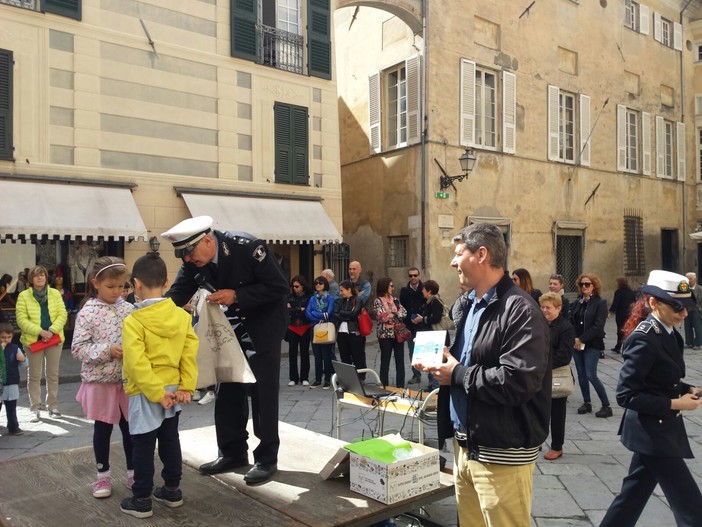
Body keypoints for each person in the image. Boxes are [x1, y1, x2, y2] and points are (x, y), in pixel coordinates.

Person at [419, 223, 550, 527]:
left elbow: (519, 380)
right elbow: (470, 361)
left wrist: (458, 374)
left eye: (458, 253)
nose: (453, 262)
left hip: (501, 453)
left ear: (481, 254)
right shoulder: (470, 305)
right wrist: (445, 364)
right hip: (466, 448)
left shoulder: (520, 310)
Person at [162, 215, 288, 484]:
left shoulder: (248, 247)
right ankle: (232, 452)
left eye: (190, 253)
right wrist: (146, 314)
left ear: (208, 241)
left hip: (264, 327)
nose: (187, 260)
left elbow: (278, 287)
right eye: (182, 256)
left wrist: (237, 296)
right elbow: (175, 297)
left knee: (262, 391)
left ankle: (267, 458)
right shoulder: (194, 262)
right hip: (229, 328)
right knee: (227, 387)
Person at [600, 270, 702, 527]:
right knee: (692, 509)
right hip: (652, 432)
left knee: (632, 497)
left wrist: (686, 389)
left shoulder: (668, 332)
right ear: (654, 303)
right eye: (678, 307)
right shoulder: (644, 338)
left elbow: (659, 379)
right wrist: (676, 404)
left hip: (657, 430)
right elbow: (626, 394)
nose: (684, 314)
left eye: (687, 307)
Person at [119, 252, 198, 519]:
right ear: (166, 282)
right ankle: (172, 489)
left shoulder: (133, 321)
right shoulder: (181, 317)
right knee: (169, 438)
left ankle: (142, 498)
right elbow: (189, 355)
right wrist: (186, 387)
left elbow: (136, 363)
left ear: (136, 284)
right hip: (175, 388)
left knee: (142, 443)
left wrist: (156, 393)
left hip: (146, 391)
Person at [71, 257, 135, 499]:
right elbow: (78, 349)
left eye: (122, 286)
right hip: (100, 381)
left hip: (128, 380)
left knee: (131, 429)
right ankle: (102, 476)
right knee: (103, 429)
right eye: (111, 286)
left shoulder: (129, 308)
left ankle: (133, 472)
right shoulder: (86, 313)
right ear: (96, 283)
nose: (117, 291)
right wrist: (107, 350)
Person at [15, 265, 68, 421]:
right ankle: (35, 407)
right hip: (33, 340)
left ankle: (53, 406)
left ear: (46, 277)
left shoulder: (55, 294)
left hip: (54, 338)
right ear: (31, 279)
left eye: (42, 275)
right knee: (34, 375)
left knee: (53, 374)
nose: (40, 278)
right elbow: (21, 319)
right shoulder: (24, 296)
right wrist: (40, 331)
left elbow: (62, 314)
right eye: (36, 275)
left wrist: (51, 330)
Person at [539, 292, 575, 461]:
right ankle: (536, 440)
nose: (545, 310)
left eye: (549, 307)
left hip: (555, 376)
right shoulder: (538, 324)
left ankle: (556, 446)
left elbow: (564, 356)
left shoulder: (565, 327)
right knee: (537, 410)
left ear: (559, 308)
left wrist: (542, 365)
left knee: (557, 413)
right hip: (537, 375)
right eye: (543, 307)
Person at [570, 273, 612, 417]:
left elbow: (598, 326)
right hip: (577, 343)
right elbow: (572, 322)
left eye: (587, 284)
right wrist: (575, 338)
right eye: (582, 284)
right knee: (581, 374)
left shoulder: (600, 303)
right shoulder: (577, 303)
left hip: (592, 343)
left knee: (591, 375)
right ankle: (586, 402)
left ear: (594, 286)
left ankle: (606, 405)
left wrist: (581, 338)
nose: (584, 287)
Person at [373, 277, 407, 388]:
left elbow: (404, 313)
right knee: (385, 361)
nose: (393, 288)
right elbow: (383, 318)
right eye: (391, 286)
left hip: (398, 333)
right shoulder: (378, 301)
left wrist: (394, 314)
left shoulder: (395, 300)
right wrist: (396, 314)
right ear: (385, 287)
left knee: (400, 361)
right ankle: (384, 386)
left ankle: (400, 386)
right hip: (385, 335)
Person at [305, 276, 336, 389]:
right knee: (317, 356)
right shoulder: (312, 299)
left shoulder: (330, 298)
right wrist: (319, 316)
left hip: (325, 329)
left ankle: (327, 380)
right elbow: (307, 313)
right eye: (316, 283)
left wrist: (315, 313)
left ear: (325, 285)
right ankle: (318, 379)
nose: (318, 285)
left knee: (326, 355)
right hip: (314, 328)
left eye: (321, 283)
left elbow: (329, 313)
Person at [333, 280, 367, 373]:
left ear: (349, 290)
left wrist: (343, 313)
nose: (340, 293)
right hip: (341, 332)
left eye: (342, 290)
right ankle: (348, 376)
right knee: (344, 356)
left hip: (354, 331)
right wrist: (347, 315)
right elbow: (335, 313)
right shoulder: (339, 301)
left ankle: (361, 375)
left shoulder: (358, 300)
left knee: (357, 356)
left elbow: (354, 314)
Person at [286, 275, 313, 386]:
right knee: (292, 353)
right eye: (293, 286)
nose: (295, 288)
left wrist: (293, 309)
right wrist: (298, 309)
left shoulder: (309, 297)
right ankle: (293, 378)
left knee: (304, 353)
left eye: (297, 286)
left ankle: (304, 377)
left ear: (302, 286)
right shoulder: (289, 296)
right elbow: (287, 311)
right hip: (292, 327)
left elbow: (306, 312)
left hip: (305, 327)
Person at [400, 267, 424, 385]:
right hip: (410, 325)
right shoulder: (404, 291)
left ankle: (431, 378)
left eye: (415, 275)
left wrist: (421, 318)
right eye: (411, 276)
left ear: (419, 276)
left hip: (423, 325)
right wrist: (409, 317)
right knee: (412, 351)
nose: (413, 278)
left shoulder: (424, 288)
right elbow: (402, 307)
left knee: (425, 350)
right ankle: (416, 374)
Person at [0, 322, 25, 435]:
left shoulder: (15, 348)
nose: (6, 339)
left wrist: (22, 359)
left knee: (11, 406)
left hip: (11, 382)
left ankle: (13, 426)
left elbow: (24, 365)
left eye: (9, 337)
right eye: (3, 337)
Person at [609, 277, 638, 353]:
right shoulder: (631, 292)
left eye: (616, 282)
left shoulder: (619, 292)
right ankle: (626, 346)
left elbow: (616, 303)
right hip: (630, 314)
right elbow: (635, 302)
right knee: (628, 330)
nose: (615, 284)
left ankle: (619, 347)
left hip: (621, 314)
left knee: (620, 330)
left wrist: (611, 312)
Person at [683, 272, 702, 350]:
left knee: (698, 328)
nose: (689, 281)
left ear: (695, 279)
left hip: (696, 311)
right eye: (687, 279)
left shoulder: (700, 289)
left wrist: (700, 310)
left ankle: (698, 343)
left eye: (690, 279)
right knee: (687, 327)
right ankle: (689, 343)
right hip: (687, 311)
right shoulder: (684, 288)